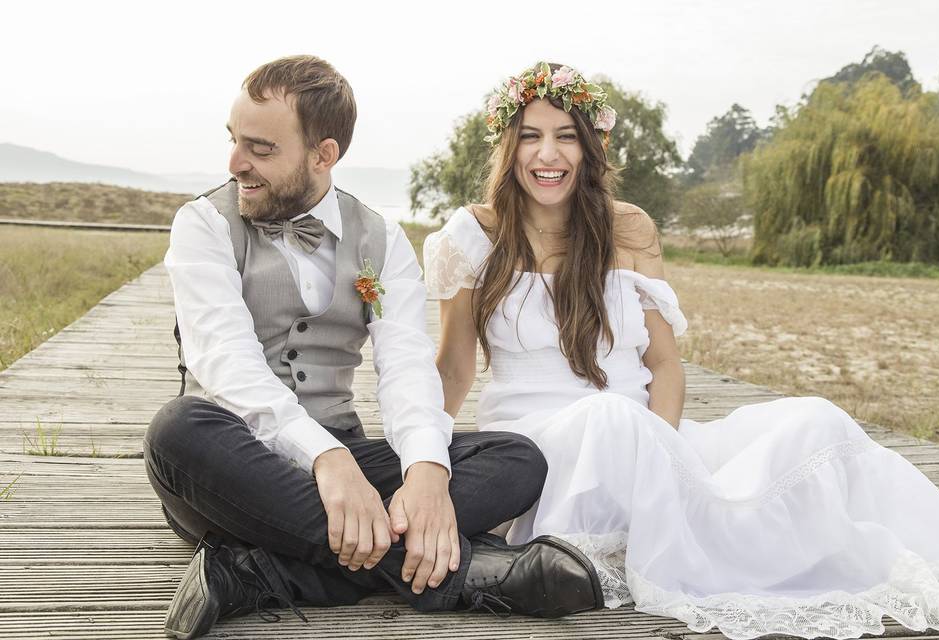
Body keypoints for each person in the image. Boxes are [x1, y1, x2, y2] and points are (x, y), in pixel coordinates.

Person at [424, 61, 939, 639]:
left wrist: (665, 456)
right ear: (509, 146)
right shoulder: (472, 236)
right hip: (544, 443)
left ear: (591, 147)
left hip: (648, 435)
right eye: (530, 136)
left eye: (565, 136)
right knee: (610, 417)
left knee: (814, 421)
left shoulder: (629, 230)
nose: (546, 155)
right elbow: (453, 368)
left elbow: (664, 364)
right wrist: (422, 463)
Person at [144, 55, 603, 640]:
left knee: (519, 459)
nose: (235, 164)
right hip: (235, 468)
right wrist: (326, 461)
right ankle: (469, 576)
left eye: (260, 149)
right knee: (175, 429)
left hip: (349, 462)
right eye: (234, 141)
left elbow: (408, 366)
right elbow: (225, 365)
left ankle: (254, 574)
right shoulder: (203, 224)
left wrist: (427, 472)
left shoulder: (381, 238)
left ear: (323, 154)